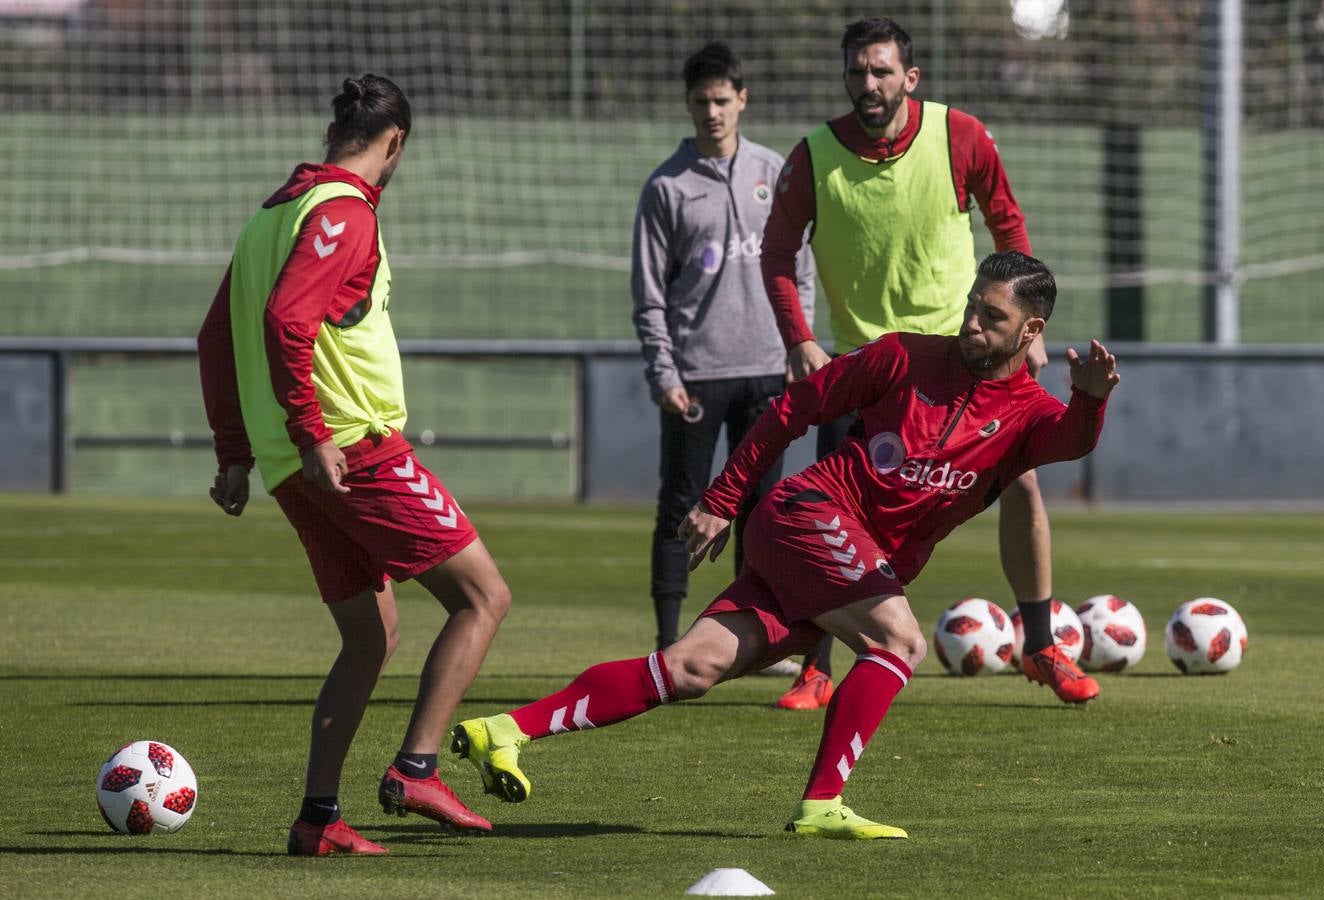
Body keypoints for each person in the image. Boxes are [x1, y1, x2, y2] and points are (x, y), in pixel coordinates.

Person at [452, 252, 1119, 839]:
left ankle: (504, 732)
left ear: (1031, 331)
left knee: (690, 669)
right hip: (807, 515)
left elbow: (1072, 441)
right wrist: (721, 497)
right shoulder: (901, 356)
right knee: (900, 642)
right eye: (972, 306)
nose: (972, 322)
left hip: (830, 557)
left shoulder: (1029, 415)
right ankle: (822, 804)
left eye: (992, 317)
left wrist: (1088, 401)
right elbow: (790, 410)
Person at [197, 74, 510, 856]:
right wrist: (311, 432)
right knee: (483, 597)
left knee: (370, 637)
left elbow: (215, 337)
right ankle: (415, 768)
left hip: (291, 465)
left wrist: (237, 452)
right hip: (350, 449)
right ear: (395, 142)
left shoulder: (271, 214)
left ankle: (317, 820)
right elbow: (285, 319)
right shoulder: (343, 210)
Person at [759, 17, 1069, 710]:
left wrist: (1024, 331)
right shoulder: (812, 155)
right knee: (838, 514)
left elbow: (1006, 223)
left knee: (1019, 486)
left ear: (909, 77)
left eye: (879, 71)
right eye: (855, 73)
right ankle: (816, 666)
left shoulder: (959, 135)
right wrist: (798, 337)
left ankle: (1041, 642)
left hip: (965, 354)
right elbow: (776, 254)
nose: (866, 85)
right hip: (863, 363)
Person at [632, 41, 815, 659]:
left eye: (721, 100)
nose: (712, 112)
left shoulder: (773, 171)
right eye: (700, 102)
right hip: (697, 374)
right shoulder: (666, 186)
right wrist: (664, 369)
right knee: (681, 507)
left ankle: (751, 639)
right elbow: (649, 292)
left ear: (742, 100)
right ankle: (666, 640)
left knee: (763, 513)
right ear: (688, 106)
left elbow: (801, 266)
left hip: (769, 369)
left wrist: (800, 343)